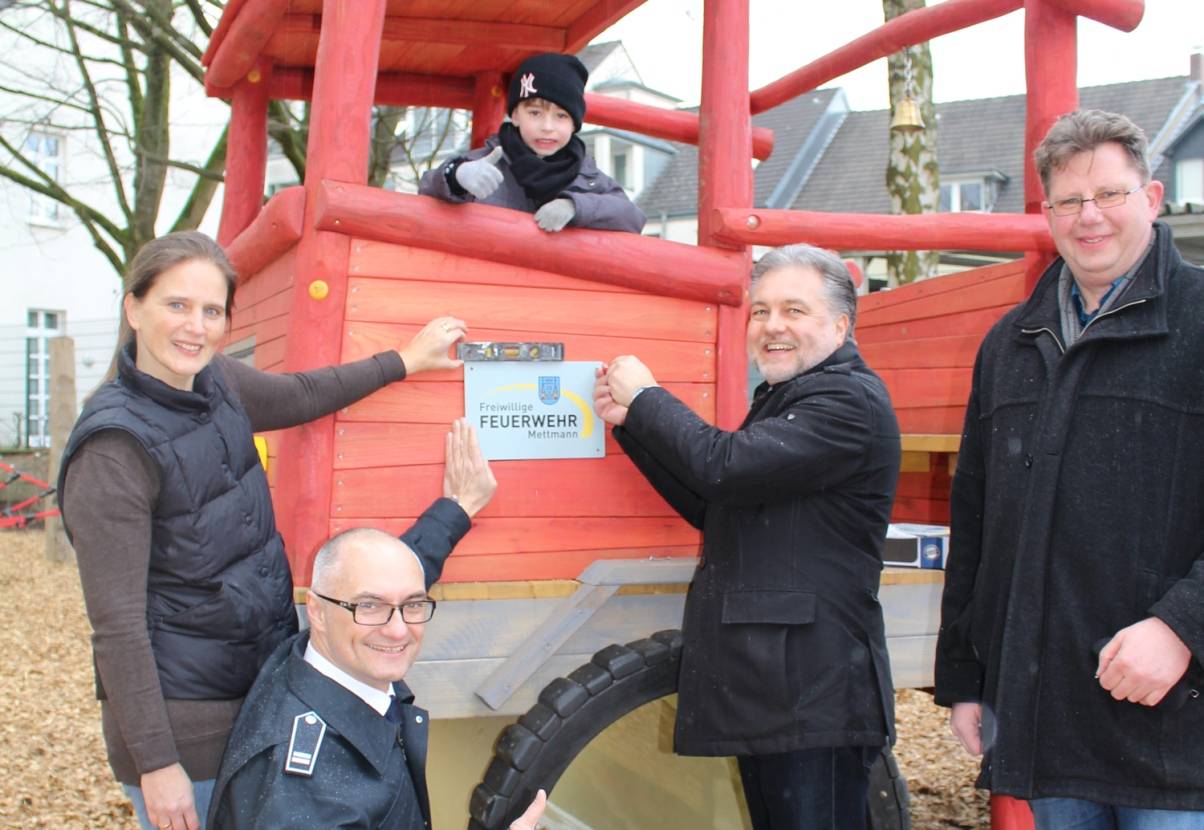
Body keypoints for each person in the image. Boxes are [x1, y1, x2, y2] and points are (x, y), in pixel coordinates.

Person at [58, 231, 479, 830]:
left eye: (211, 311)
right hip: (187, 730)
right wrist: (158, 765)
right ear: (133, 308)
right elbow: (117, 628)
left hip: (257, 687)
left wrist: (403, 361)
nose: (195, 327)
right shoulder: (113, 452)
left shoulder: (216, 383)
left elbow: (302, 394)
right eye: (176, 305)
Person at [935, 109, 1204, 827]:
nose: (1090, 217)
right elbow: (978, 519)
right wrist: (966, 677)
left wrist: (1183, 627)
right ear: (1047, 212)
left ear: (1150, 199)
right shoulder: (1010, 345)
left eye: (1110, 195)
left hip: (1181, 719)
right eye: (1069, 201)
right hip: (1050, 712)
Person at [593, 244, 901, 829]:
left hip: (816, 694)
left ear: (840, 325)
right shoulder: (793, 399)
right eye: (759, 311)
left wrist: (649, 398)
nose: (771, 326)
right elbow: (716, 503)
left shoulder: (846, 401)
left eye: (793, 310)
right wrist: (633, 425)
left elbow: (723, 467)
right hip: (783, 691)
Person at [207, 526, 546, 830]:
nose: (398, 630)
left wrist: (453, 515)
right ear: (317, 611)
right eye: (369, 607)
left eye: (413, 604)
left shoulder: (309, 663)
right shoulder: (306, 791)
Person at [418, 52, 645, 234]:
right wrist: (457, 176)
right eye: (535, 113)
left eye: (561, 116)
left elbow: (631, 216)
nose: (548, 126)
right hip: (485, 286)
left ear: (575, 124)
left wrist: (575, 206)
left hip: (557, 289)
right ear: (515, 115)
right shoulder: (487, 162)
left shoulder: (587, 176)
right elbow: (428, 188)